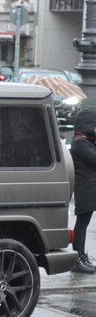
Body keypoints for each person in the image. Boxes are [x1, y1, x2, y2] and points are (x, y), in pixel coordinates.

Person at [70, 108, 96, 274]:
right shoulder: (80, 142)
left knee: (84, 223)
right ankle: (77, 259)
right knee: (82, 224)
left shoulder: (86, 141)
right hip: (85, 189)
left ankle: (81, 255)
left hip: (89, 189)